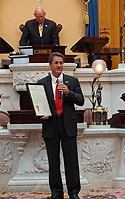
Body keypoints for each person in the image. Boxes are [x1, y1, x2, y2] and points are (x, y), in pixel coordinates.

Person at [37, 52, 84, 199]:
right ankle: (56, 192)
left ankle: (73, 191)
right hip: (51, 124)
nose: (59, 65)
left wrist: (69, 92)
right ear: (50, 65)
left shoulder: (72, 81)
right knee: (53, 159)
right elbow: (38, 104)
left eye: (61, 63)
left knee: (71, 159)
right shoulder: (42, 83)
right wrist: (40, 114)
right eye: (56, 63)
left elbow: (81, 100)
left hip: (67, 125)